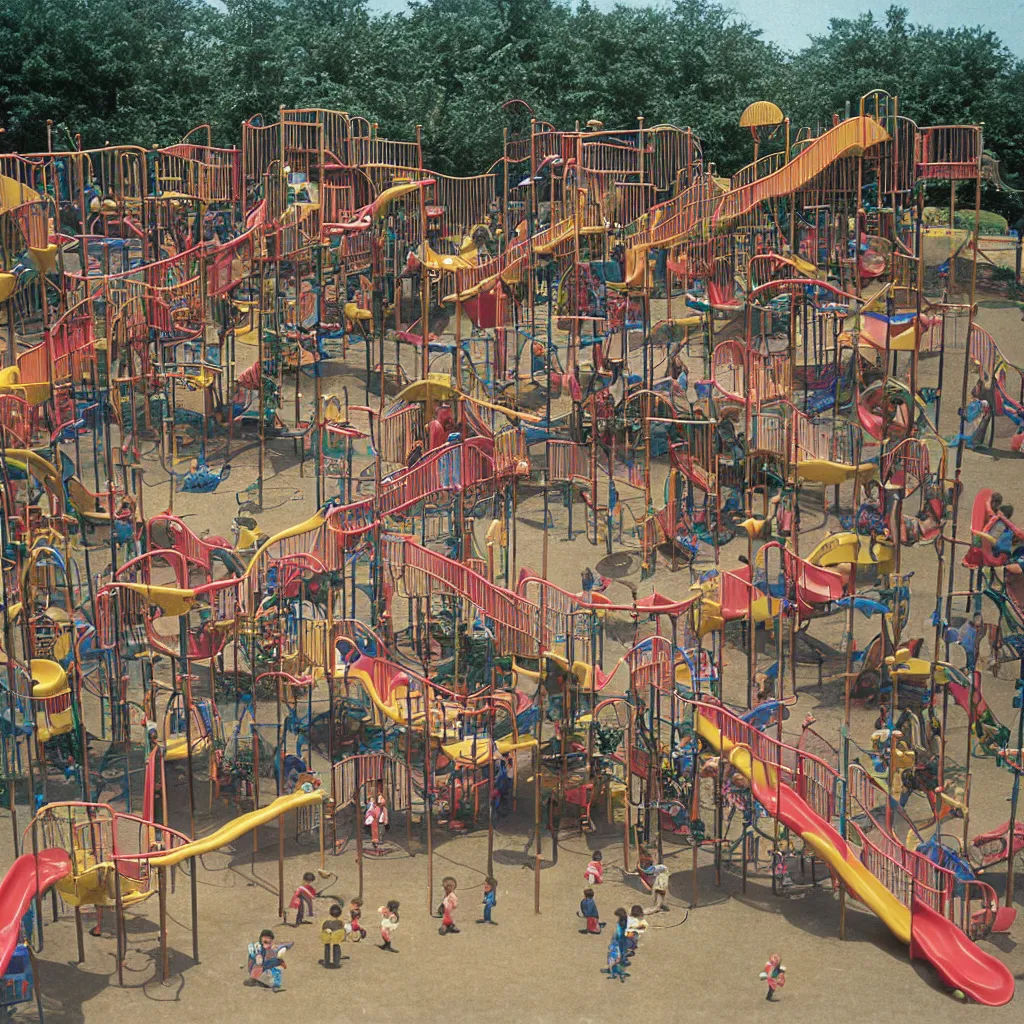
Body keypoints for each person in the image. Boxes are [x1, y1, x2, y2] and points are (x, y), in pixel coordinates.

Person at [320, 903, 345, 968]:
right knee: (336, 946)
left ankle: (326, 962)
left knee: (327, 946)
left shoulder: (326, 922)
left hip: (327, 936)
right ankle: (336, 963)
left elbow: (323, 928)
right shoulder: (339, 922)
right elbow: (342, 929)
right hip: (336, 937)